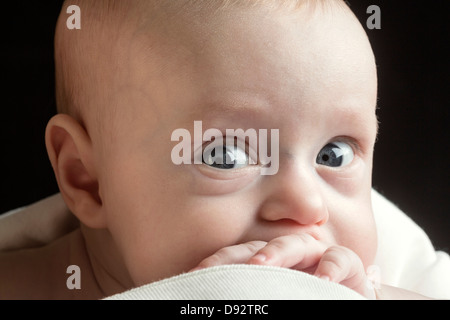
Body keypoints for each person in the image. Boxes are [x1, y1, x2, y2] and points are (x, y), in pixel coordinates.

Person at [0, 0, 445, 299]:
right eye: (225, 155)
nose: (306, 205)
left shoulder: (370, 281)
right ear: (89, 180)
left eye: (334, 155)